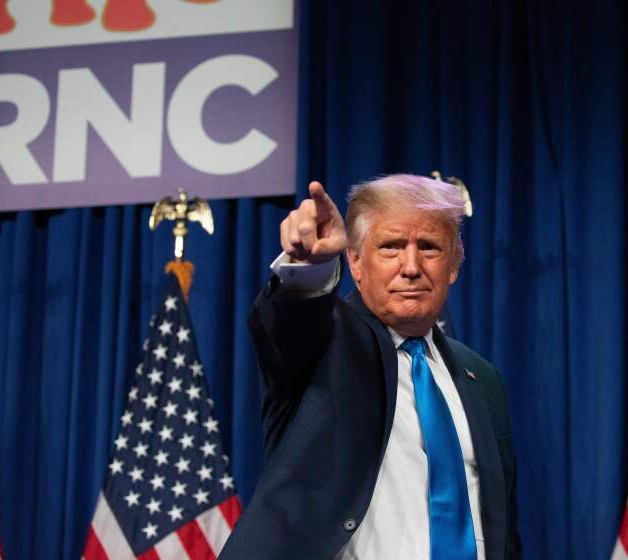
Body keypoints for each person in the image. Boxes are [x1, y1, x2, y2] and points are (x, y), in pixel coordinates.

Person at [220, 175, 522, 559]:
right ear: (356, 261)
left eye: (429, 247)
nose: (411, 266)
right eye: (391, 247)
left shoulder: (481, 377)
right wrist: (311, 267)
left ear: (454, 265)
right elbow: (291, 321)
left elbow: (502, 528)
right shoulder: (326, 343)